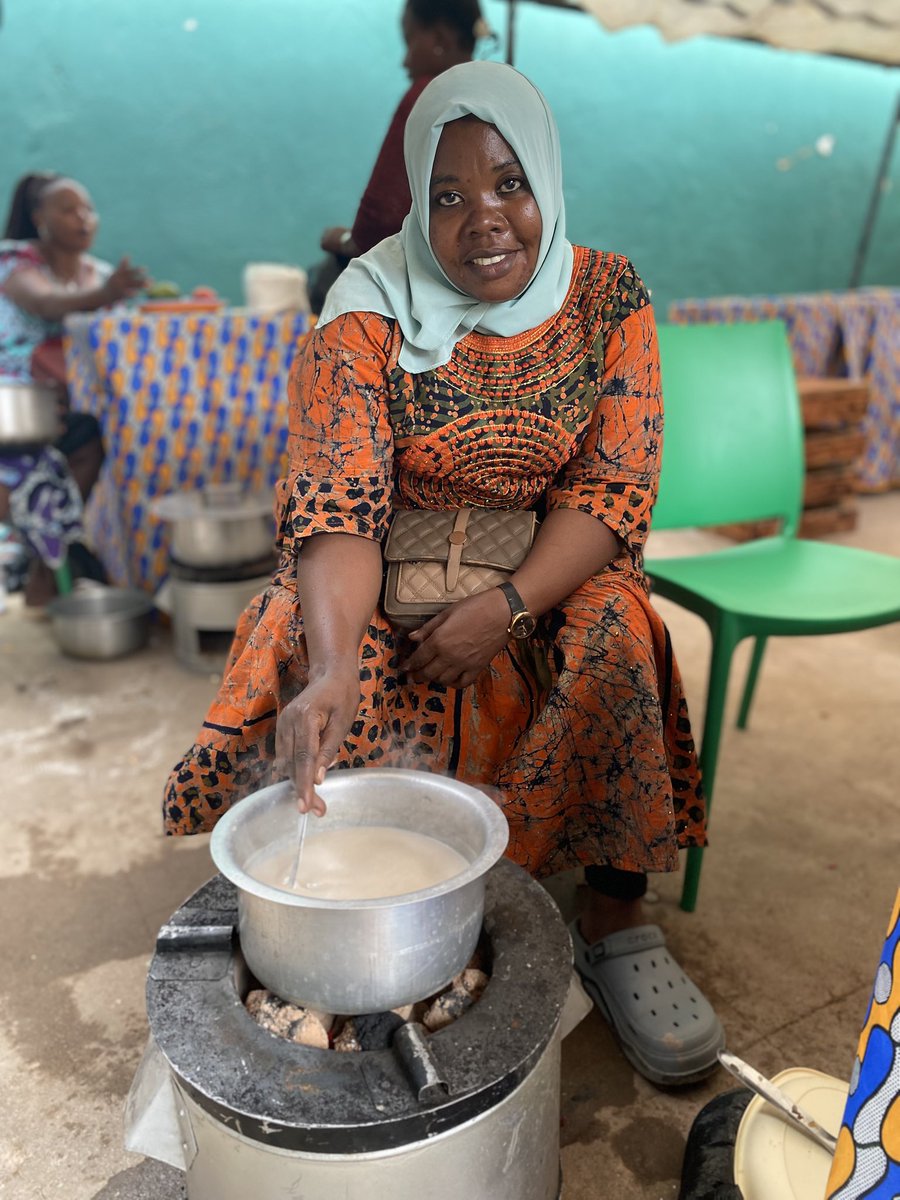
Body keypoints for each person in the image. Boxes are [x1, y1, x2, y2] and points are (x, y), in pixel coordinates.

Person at [165, 61, 725, 1086]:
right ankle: (361, 899)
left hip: (548, 554)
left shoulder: (608, 295)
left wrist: (507, 606)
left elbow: (611, 488)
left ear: (545, 181)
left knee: (618, 628)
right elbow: (339, 503)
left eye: (510, 183)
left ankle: (614, 920)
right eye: (448, 195)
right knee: (298, 627)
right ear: (416, 200)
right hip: (393, 545)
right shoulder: (367, 305)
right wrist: (335, 662)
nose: (484, 220)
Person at [0, 172, 147, 606]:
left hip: (72, 408)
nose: (82, 219)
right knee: (37, 471)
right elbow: (44, 303)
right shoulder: (16, 261)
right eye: (68, 209)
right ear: (38, 217)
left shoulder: (100, 274)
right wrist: (105, 293)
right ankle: (43, 572)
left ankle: (47, 574)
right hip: (17, 406)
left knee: (93, 447)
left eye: (87, 209)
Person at [311, 0, 488, 308]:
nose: (404, 61)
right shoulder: (493, 95)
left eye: (409, 41)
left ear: (440, 39)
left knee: (321, 282)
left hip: (421, 288)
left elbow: (379, 223)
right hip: (476, 278)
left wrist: (341, 240)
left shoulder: (427, 96)